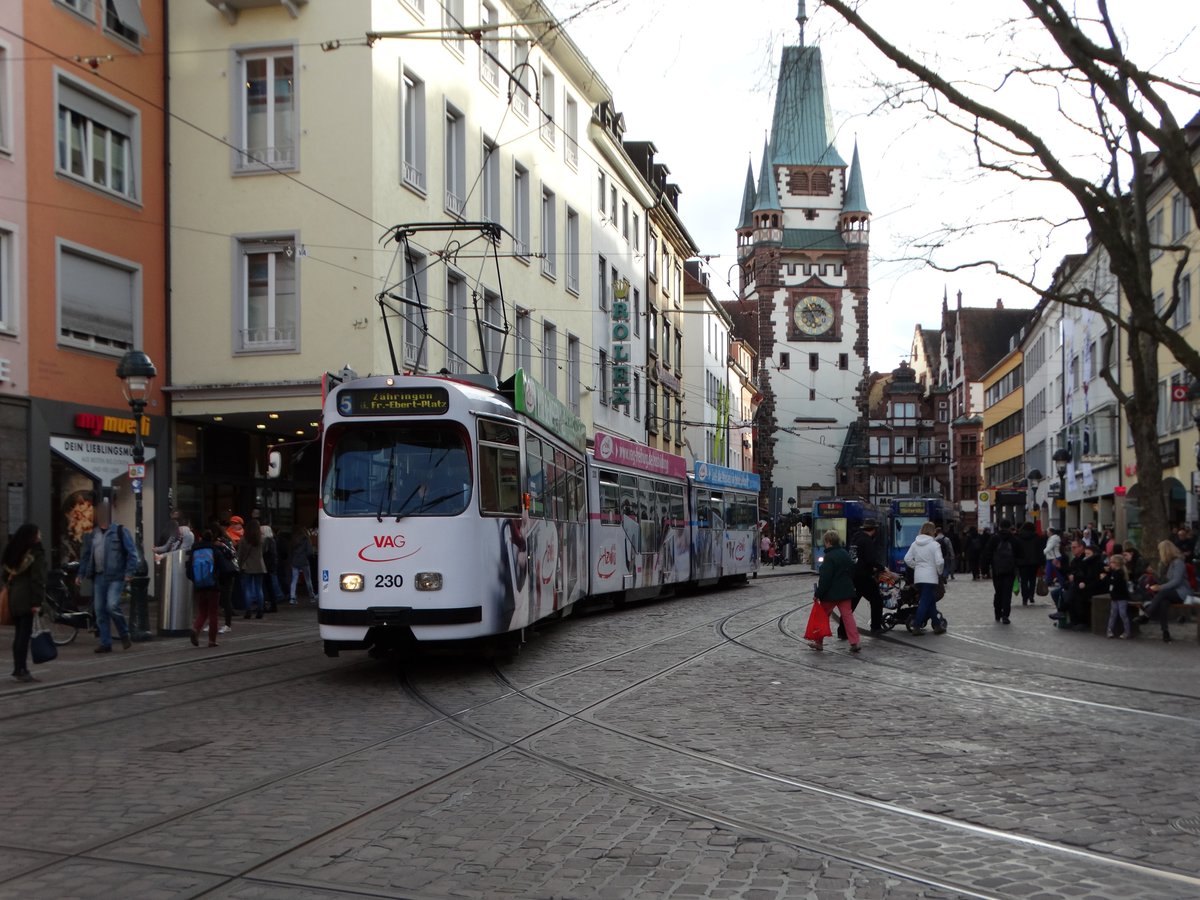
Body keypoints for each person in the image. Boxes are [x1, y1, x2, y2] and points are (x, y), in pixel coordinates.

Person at [77, 500, 136, 653]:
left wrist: (129, 573)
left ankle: (124, 633)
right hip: (99, 576)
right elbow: (86, 556)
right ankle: (105, 642)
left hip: (116, 576)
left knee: (112, 606)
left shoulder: (120, 531)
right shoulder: (93, 534)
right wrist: (80, 574)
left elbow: (132, 553)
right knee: (100, 610)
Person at [4, 524, 48, 683]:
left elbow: (5, 575)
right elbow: (38, 579)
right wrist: (37, 602)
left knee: (19, 635)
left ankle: (18, 667)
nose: (41, 535)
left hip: (14, 598)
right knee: (24, 635)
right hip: (28, 598)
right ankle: (21, 669)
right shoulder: (36, 553)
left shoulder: (14, 552)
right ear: (33, 536)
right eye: (38, 532)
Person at [812, 529, 860, 652]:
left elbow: (825, 579)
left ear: (828, 542)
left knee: (822, 617)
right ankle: (854, 642)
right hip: (846, 592)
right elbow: (852, 571)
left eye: (825, 542)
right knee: (848, 617)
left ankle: (818, 642)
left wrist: (818, 594)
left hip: (830, 595)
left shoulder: (829, 557)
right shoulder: (844, 553)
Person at [186, 529, 229, 647]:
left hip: (199, 586)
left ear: (200, 538)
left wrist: (196, 581)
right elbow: (224, 568)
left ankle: (196, 629)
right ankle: (212, 640)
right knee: (213, 613)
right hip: (213, 586)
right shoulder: (215, 550)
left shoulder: (195, 551)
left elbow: (189, 571)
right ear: (212, 539)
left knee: (203, 612)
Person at [1138, 540, 1188, 643]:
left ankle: (1147, 614)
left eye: (1160, 550)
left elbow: (1176, 581)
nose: (1159, 553)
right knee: (1163, 603)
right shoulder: (1168, 563)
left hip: (1182, 593)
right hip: (1171, 592)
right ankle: (1165, 632)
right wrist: (1156, 576)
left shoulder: (1178, 562)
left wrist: (1160, 588)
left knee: (1163, 593)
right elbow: (1165, 580)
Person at [904, 521, 945, 634]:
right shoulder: (934, 545)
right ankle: (917, 625)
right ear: (933, 531)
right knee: (924, 602)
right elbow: (940, 561)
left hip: (919, 577)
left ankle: (937, 624)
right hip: (930, 578)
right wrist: (939, 571)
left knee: (930, 601)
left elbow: (907, 559)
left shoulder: (915, 544)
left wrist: (916, 566)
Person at [849, 518, 885, 634]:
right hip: (864, 576)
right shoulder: (867, 541)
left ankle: (843, 631)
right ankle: (875, 627)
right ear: (873, 530)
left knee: (850, 605)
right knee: (876, 600)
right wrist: (881, 567)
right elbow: (870, 560)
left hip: (853, 575)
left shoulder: (855, 539)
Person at [981, 519, 1018, 624]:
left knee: (998, 592)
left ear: (1000, 526)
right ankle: (1005, 615)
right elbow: (1020, 554)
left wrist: (984, 569)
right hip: (1010, 571)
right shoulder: (1013, 539)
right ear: (1010, 526)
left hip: (997, 570)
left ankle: (997, 613)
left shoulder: (994, 539)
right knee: (1007, 593)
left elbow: (987, 554)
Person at [237, 518, 267, 619]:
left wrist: (239, 565)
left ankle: (248, 610)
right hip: (259, 565)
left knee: (247, 589)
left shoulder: (243, 539)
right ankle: (260, 610)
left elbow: (240, 554)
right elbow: (265, 551)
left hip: (247, 566)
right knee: (259, 589)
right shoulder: (262, 539)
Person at [1098, 550, 1132, 639]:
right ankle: (1109, 630)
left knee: (1122, 614)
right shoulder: (1114, 572)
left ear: (1117, 563)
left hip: (1121, 597)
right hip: (1115, 597)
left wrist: (1105, 578)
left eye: (1112, 562)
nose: (1110, 564)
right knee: (1113, 614)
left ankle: (1127, 631)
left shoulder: (1120, 573)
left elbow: (1114, 582)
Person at [1013, 520, 1044, 606]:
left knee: (1023, 580)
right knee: (1032, 579)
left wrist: (1015, 561)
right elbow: (1040, 551)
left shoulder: (1018, 537)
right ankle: (1031, 595)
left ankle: (1024, 598)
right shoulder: (1036, 537)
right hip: (1034, 562)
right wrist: (1042, 563)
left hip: (1022, 563)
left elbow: (1015, 550)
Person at [214, 527, 238, 634]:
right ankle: (215, 623)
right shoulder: (219, 542)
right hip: (221, 573)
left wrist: (222, 545)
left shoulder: (224, 542)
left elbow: (232, 554)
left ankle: (227, 624)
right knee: (218, 599)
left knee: (225, 599)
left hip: (226, 573)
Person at [290, 526, 314, 604]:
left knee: (294, 580)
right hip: (304, 561)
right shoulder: (306, 539)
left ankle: (292, 597)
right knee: (308, 580)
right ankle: (311, 596)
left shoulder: (294, 540)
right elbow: (310, 552)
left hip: (295, 561)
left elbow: (291, 550)